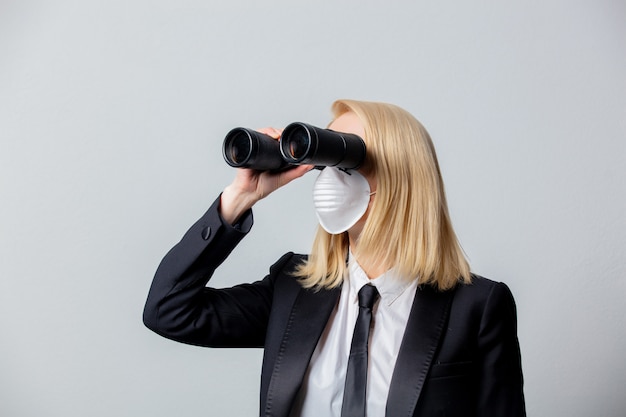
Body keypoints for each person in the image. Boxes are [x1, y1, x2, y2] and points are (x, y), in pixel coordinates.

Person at [143, 99, 526, 417]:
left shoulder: (477, 307)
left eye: (347, 160)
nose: (331, 178)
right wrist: (240, 198)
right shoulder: (294, 287)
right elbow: (168, 310)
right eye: (325, 164)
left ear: (403, 177)